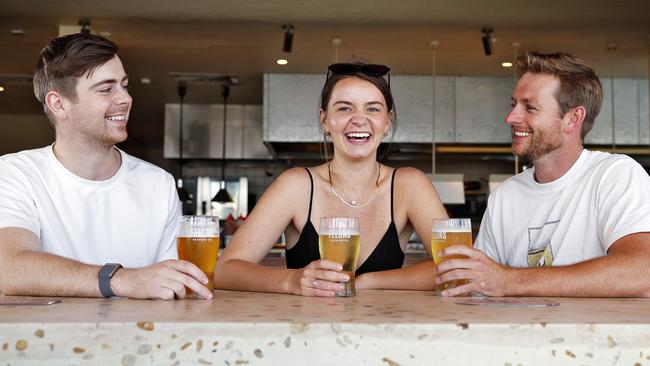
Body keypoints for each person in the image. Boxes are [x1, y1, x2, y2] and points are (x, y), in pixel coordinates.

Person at [0, 33, 212, 300]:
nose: (125, 99)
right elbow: (10, 269)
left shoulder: (159, 184)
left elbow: (173, 288)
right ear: (58, 103)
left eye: (124, 85)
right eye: (106, 89)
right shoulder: (15, 174)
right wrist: (123, 280)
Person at [214, 62, 447, 296]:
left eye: (373, 109)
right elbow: (225, 270)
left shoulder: (409, 185)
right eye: (344, 108)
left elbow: (460, 269)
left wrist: (365, 281)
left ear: (387, 121)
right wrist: (292, 281)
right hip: (306, 330)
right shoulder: (296, 185)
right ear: (324, 119)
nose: (359, 119)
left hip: (383, 330)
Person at [436, 52, 650, 297]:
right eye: (513, 105)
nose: (510, 118)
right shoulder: (506, 195)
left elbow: (643, 271)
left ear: (572, 118)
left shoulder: (615, 175)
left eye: (530, 107)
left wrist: (510, 281)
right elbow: (480, 287)